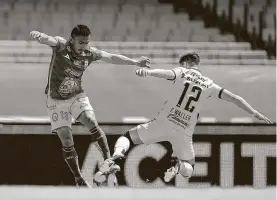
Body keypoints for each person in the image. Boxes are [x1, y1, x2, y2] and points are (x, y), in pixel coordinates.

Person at [94, 52, 273, 184]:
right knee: (189, 168)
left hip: (164, 122)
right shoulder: (210, 84)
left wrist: (147, 72)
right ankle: (179, 166)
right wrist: (254, 113)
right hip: (184, 131)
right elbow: (235, 98)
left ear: (186, 63)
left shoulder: (183, 71)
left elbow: (167, 73)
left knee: (127, 137)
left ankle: (117, 155)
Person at [29, 24, 150, 188]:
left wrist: (135, 62)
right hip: (56, 101)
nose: (84, 46)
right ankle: (79, 179)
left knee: (91, 121)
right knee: (66, 140)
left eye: (86, 43)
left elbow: (111, 57)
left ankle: (108, 161)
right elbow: (49, 40)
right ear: (72, 40)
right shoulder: (62, 46)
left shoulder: (89, 53)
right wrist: (40, 36)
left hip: (76, 96)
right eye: (81, 43)